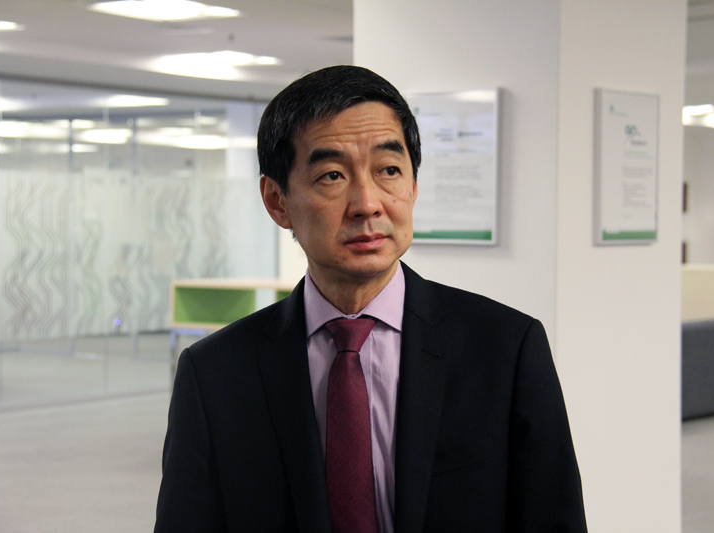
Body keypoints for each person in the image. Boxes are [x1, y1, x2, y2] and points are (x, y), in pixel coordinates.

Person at [154, 65, 587, 532]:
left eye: (389, 171)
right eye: (332, 175)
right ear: (277, 200)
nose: (367, 203)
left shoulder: (505, 348)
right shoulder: (214, 374)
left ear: (413, 186)